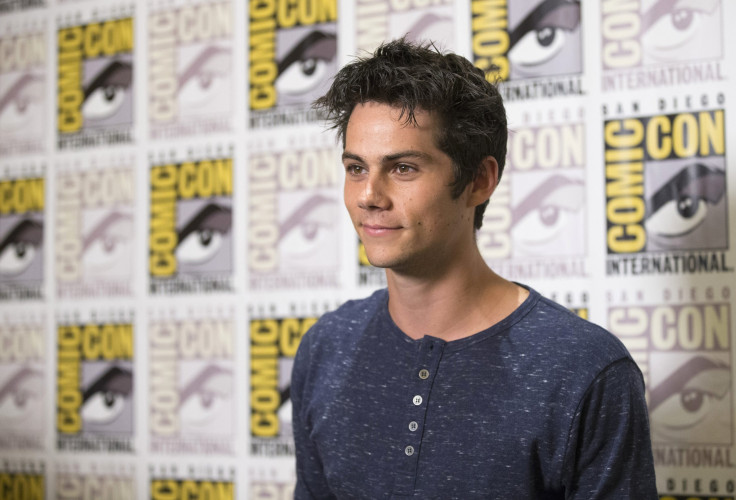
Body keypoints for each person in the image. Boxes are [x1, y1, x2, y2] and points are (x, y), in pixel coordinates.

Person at [291, 38, 657, 499]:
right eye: (356, 168)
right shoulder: (326, 349)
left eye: (403, 168)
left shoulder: (585, 370)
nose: (369, 195)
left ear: (480, 180)